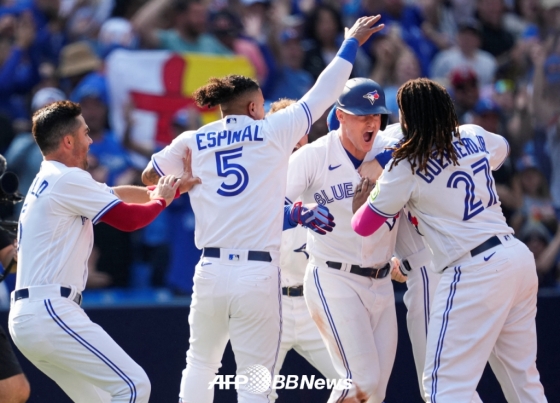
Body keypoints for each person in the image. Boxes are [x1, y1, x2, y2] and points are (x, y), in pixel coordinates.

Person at [141, 16, 385, 403]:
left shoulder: (195, 138)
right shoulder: (272, 131)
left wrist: (178, 186)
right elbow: (324, 92)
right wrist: (351, 43)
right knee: (253, 376)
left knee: (200, 363)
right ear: (255, 105)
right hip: (257, 271)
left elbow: (149, 177)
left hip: (210, 268)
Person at [352, 78, 547, 402]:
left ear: (407, 118)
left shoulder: (408, 160)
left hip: (473, 269)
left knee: (443, 389)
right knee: (523, 383)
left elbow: (364, 225)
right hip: (515, 257)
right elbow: (503, 150)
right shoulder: (473, 133)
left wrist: (364, 201)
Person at [8, 100, 192, 403]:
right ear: (68, 141)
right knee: (134, 386)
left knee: (102, 400)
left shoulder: (52, 178)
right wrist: (161, 201)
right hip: (50, 308)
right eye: (85, 133)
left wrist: (168, 190)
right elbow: (130, 219)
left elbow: (117, 194)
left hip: (30, 317)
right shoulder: (67, 179)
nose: (91, 140)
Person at [267, 99, 338, 402]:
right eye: (288, 128)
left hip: (312, 303)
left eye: (301, 129)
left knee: (358, 385)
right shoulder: (254, 177)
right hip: (268, 306)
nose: (296, 137)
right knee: (257, 393)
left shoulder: (322, 168)